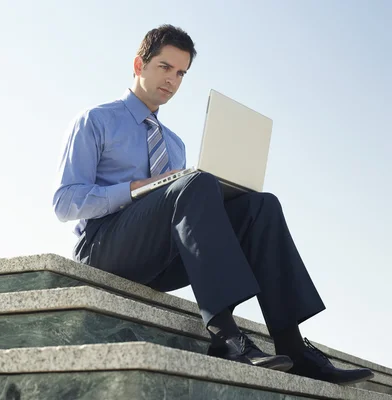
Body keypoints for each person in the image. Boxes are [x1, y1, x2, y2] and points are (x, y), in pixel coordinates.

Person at [52, 24, 373, 385]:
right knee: (195, 182)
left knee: (260, 206)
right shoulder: (95, 120)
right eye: (164, 67)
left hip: (159, 258)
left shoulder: (173, 143)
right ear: (139, 64)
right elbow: (65, 203)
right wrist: (137, 188)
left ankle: (293, 345)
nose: (172, 80)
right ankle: (224, 334)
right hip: (102, 249)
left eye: (181, 73)